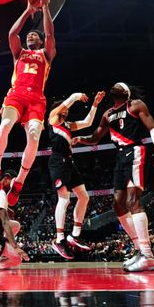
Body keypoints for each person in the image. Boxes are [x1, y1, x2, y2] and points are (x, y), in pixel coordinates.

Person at [77, 83, 154, 272]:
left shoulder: (135, 105)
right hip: (120, 155)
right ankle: (139, 249)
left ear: (126, 93)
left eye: (120, 85)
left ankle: (148, 255)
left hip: (135, 150)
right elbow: (95, 138)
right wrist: (79, 139)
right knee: (118, 204)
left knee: (133, 200)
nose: (115, 85)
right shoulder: (107, 113)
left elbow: (152, 128)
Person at [0, 0, 56, 198]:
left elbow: (51, 34)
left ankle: (19, 181)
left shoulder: (46, 54)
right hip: (17, 94)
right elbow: (12, 34)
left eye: (35, 35)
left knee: (34, 137)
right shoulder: (19, 53)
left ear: (40, 41)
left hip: (37, 99)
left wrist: (45, 8)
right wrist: (28, 10)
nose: (31, 36)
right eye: (29, 35)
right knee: (5, 125)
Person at [46, 90, 105, 259]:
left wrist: (94, 105)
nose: (67, 109)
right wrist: (77, 95)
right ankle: (59, 239)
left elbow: (87, 122)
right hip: (57, 161)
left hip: (69, 162)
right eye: (64, 107)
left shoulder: (68, 125)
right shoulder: (53, 118)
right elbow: (69, 100)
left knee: (84, 197)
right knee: (64, 198)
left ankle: (75, 235)